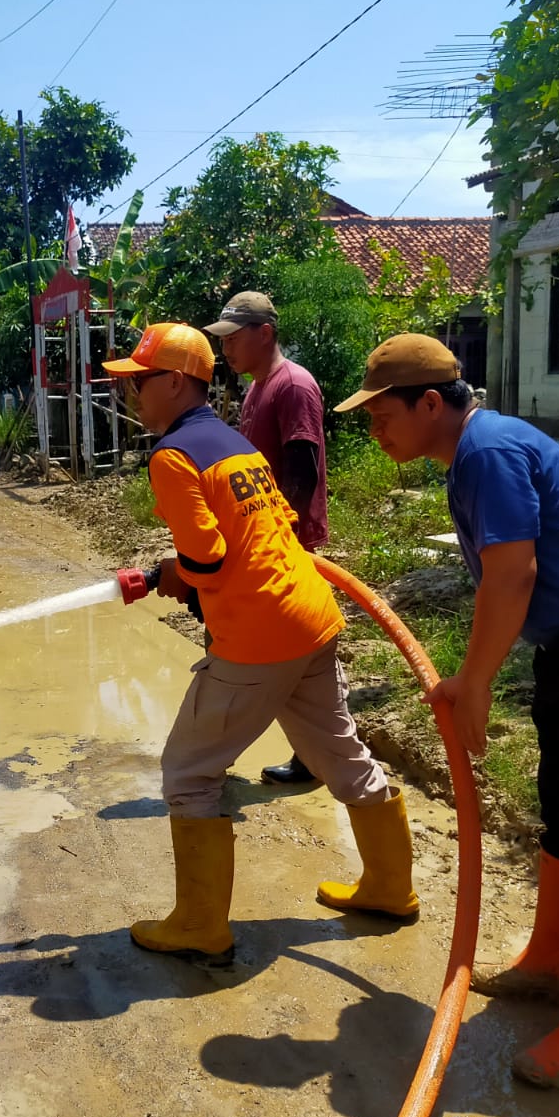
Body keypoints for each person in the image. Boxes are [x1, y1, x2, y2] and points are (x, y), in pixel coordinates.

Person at [333, 333, 559, 1088]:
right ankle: (555, 961)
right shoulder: (475, 453)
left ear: (430, 403)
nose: (377, 432)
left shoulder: (488, 452)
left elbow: (512, 576)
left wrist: (475, 680)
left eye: (382, 416)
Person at [102, 322, 420, 964]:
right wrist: (179, 570)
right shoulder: (233, 443)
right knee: (339, 751)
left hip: (260, 635)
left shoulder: (172, 455)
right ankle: (390, 887)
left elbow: (210, 560)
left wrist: (173, 573)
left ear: (174, 381)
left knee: (189, 772)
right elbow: (239, 542)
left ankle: (198, 926)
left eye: (141, 380)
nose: (134, 393)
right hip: (309, 615)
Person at [206, 291, 329, 789]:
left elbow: (302, 468)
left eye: (235, 338)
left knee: (276, 652)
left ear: (265, 334)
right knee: (283, 655)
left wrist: (286, 535)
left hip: (285, 543)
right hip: (263, 540)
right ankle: (311, 755)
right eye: (224, 340)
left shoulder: (293, 386)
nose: (227, 349)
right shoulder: (258, 387)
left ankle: (218, 753)